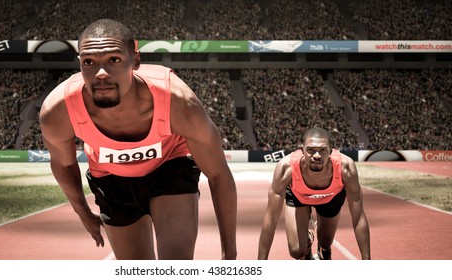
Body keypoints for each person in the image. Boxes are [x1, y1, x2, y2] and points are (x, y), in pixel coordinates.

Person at [39, 19, 237, 260]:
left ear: (136, 61)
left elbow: (218, 175)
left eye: (114, 60)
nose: (101, 73)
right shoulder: (58, 110)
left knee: (175, 265)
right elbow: (63, 163)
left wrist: (230, 255)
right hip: (111, 178)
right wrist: (83, 213)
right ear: (80, 65)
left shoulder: (178, 101)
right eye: (89, 62)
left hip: (170, 166)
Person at [258, 127, 370, 260]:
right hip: (298, 197)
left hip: (332, 198)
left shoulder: (346, 168)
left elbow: (358, 217)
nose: (317, 156)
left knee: (325, 241)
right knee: (296, 251)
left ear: (330, 150)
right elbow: (270, 218)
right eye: (311, 150)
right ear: (302, 149)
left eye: (322, 150)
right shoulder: (286, 168)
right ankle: (308, 239)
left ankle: (323, 249)